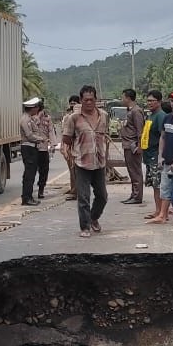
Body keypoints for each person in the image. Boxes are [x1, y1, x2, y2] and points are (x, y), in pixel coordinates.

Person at [62, 85, 109, 238]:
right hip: (81, 161)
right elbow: (67, 139)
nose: (89, 102)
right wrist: (67, 153)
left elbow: (104, 137)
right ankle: (85, 226)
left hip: (99, 161)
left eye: (91, 99)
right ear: (81, 100)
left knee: (102, 196)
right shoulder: (73, 118)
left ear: (96, 99)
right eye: (86, 100)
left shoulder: (104, 116)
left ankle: (93, 217)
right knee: (83, 196)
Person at [147, 90, 173, 225]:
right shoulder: (167, 118)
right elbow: (163, 138)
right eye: (171, 101)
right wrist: (160, 155)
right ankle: (162, 215)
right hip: (167, 160)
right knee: (165, 188)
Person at [142, 90, 166, 220]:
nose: (149, 103)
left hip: (156, 155)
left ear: (159, 101)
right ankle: (158, 210)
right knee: (154, 185)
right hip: (148, 154)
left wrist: (160, 155)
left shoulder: (161, 116)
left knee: (159, 184)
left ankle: (162, 212)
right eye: (148, 100)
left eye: (152, 100)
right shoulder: (150, 116)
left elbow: (163, 136)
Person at [20, 97, 47, 206]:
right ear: (33, 108)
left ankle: (29, 196)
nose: (38, 110)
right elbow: (29, 135)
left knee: (31, 173)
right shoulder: (25, 120)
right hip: (28, 148)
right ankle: (26, 198)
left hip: (32, 148)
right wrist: (41, 139)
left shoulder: (30, 118)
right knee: (29, 174)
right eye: (37, 107)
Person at [120, 88, 145, 204]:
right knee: (131, 171)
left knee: (135, 171)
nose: (122, 100)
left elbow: (140, 130)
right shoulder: (130, 111)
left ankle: (137, 196)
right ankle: (134, 194)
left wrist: (140, 146)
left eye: (123, 97)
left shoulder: (136, 111)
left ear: (128, 98)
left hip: (133, 146)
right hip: (128, 145)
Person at [35, 100, 58, 199]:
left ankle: (41, 190)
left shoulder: (47, 119)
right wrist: (38, 117)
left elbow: (51, 131)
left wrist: (53, 144)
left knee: (44, 170)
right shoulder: (31, 118)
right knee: (31, 171)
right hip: (33, 148)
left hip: (43, 149)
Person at [61, 95, 81, 200]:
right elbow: (64, 133)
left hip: (77, 147)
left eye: (75, 103)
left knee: (77, 170)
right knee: (72, 169)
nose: (73, 104)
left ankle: (77, 191)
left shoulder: (79, 117)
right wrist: (63, 148)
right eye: (71, 103)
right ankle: (73, 188)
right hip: (69, 146)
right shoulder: (67, 116)